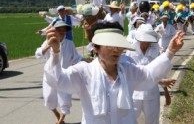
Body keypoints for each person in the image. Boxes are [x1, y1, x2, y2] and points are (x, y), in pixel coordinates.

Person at [44, 22, 184, 124]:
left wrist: (170, 52)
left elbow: (148, 75)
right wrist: (55, 53)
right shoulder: (84, 71)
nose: (116, 50)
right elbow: (58, 80)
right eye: (110, 46)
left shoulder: (128, 69)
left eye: (119, 46)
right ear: (96, 48)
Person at [125, 24, 176, 124]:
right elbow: (131, 74)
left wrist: (166, 92)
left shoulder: (156, 52)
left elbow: (161, 72)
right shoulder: (131, 53)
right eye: (145, 40)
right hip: (134, 94)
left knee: (152, 121)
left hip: (151, 93)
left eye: (149, 41)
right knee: (127, 120)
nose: (147, 43)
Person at [35, 21, 83, 124]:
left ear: (66, 32)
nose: (61, 32)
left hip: (65, 76)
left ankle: (60, 121)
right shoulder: (48, 41)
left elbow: (76, 57)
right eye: (59, 30)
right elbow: (38, 54)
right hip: (50, 76)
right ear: (54, 31)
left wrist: (86, 61)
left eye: (63, 31)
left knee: (65, 101)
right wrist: (48, 45)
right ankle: (57, 115)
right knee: (48, 99)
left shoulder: (70, 43)